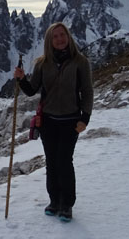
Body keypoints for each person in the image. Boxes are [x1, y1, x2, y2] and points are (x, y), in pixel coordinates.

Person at [13, 22, 93, 222]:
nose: (59, 39)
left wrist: (85, 118)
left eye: (62, 35)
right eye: (55, 36)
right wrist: (21, 80)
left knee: (64, 161)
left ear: (68, 37)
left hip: (70, 121)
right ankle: (54, 201)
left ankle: (67, 204)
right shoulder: (42, 63)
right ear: (49, 41)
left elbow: (87, 91)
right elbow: (32, 90)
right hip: (48, 121)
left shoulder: (80, 62)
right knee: (51, 162)